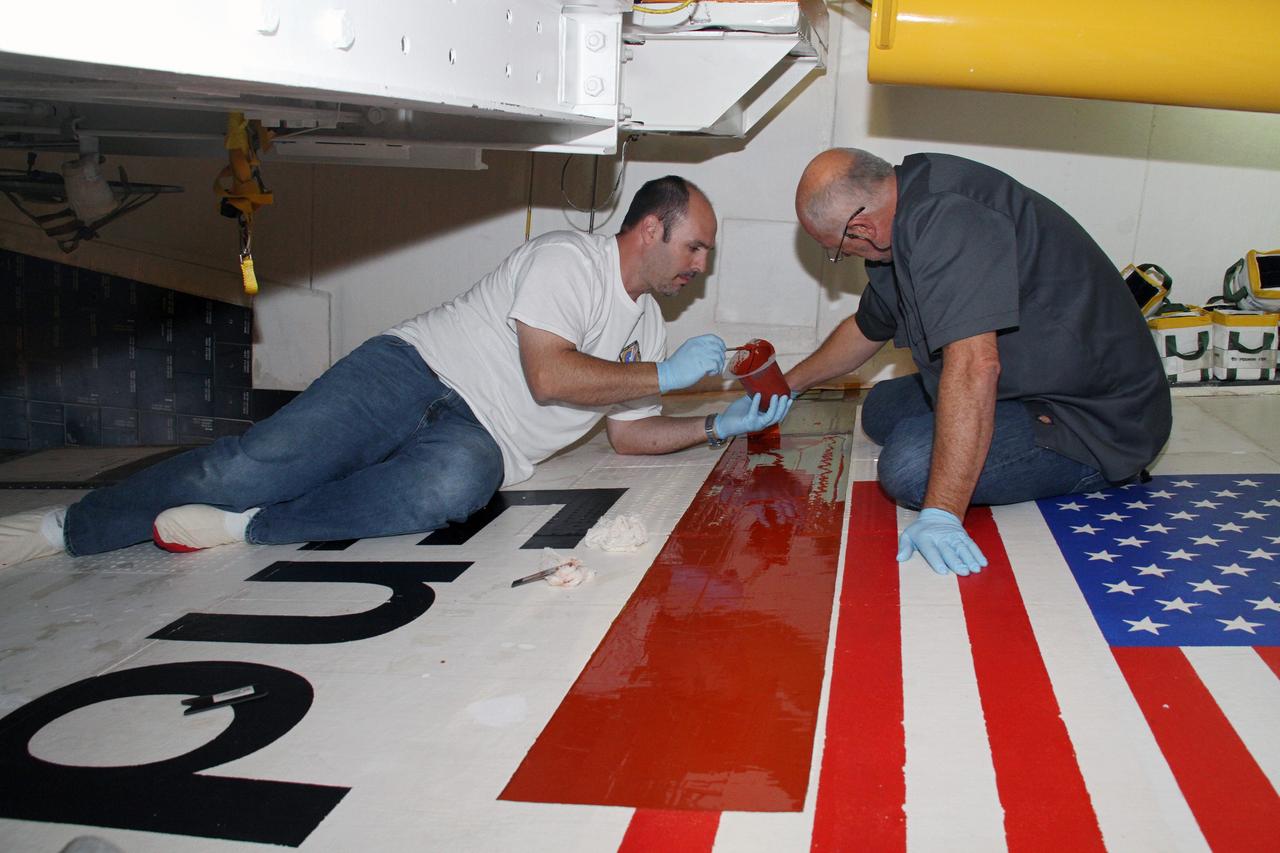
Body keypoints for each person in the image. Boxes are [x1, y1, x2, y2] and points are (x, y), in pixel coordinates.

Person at [0, 176, 791, 568]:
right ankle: (66, 527)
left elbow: (627, 436)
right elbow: (550, 377)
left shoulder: (647, 322)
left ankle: (247, 529)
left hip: (482, 440)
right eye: (695, 247)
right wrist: (667, 374)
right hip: (416, 369)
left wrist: (709, 426)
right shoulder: (568, 260)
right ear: (651, 228)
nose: (700, 265)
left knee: (451, 492)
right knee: (256, 461)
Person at [787, 148, 1171, 578]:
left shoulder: (950, 220)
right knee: (880, 410)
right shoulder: (902, 215)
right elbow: (866, 328)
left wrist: (943, 511)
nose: (850, 257)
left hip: (1097, 416)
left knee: (910, 467)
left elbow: (974, 366)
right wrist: (788, 385)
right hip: (1029, 382)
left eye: (841, 250)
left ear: (860, 227)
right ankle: (990, 431)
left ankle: (1091, 469)